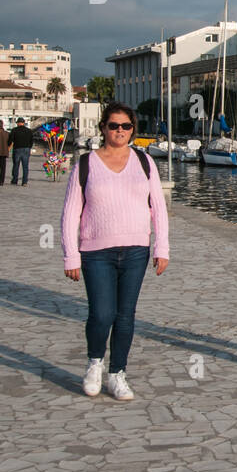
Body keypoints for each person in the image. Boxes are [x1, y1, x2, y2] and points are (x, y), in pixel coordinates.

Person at [61, 101, 169, 401]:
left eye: (126, 126)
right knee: (102, 313)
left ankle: (117, 373)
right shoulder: (86, 164)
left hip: (136, 249)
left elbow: (158, 207)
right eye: (113, 125)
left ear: (133, 130)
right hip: (96, 252)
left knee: (125, 316)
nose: (119, 131)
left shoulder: (145, 163)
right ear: (103, 128)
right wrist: (71, 254)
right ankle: (95, 363)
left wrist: (162, 247)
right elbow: (70, 213)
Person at [9, 117, 34, 185]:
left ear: (18, 123)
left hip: (17, 149)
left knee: (16, 165)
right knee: (25, 166)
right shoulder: (29, 131)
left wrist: (8, 146)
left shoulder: (14, 130)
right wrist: (29, 147)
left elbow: (10, 140)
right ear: (23, 123)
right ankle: (24, 181)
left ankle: (14, 180)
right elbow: (31, 141)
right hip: (26, 149)